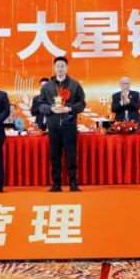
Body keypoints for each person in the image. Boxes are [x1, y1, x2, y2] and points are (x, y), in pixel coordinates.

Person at [37, 56, 86, 192]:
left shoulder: (74, 85)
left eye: (62, 66)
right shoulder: (47, 86)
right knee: (54, 155)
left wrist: (69, 108)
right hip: (53, 126)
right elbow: (40, 104)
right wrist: (50, 108)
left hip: (69, 125)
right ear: (54, 68)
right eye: (57, 66)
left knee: (71, 155)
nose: (60, 68)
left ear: (66, 68)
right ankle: (56, 184)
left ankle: (73, 183)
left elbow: (82, 103)